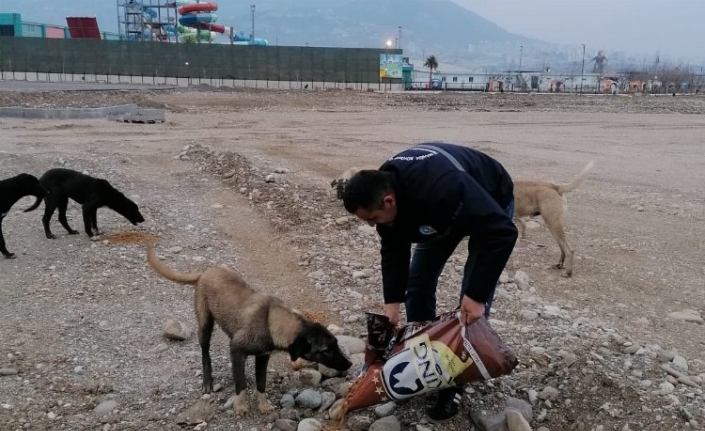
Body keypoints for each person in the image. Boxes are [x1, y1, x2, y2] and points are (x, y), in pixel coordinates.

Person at [341, 142, 518, 423]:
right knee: (419, 282)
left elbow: (502, 231)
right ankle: (427, 356)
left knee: (472, 302)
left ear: (389, 201)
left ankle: (459, 372)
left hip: (488, 198)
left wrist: (476, 294)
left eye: (372, 219)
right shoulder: (386, 192)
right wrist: (392, 305)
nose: (372, 226)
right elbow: (394, 250)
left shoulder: (442, 187)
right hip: (436, 213)